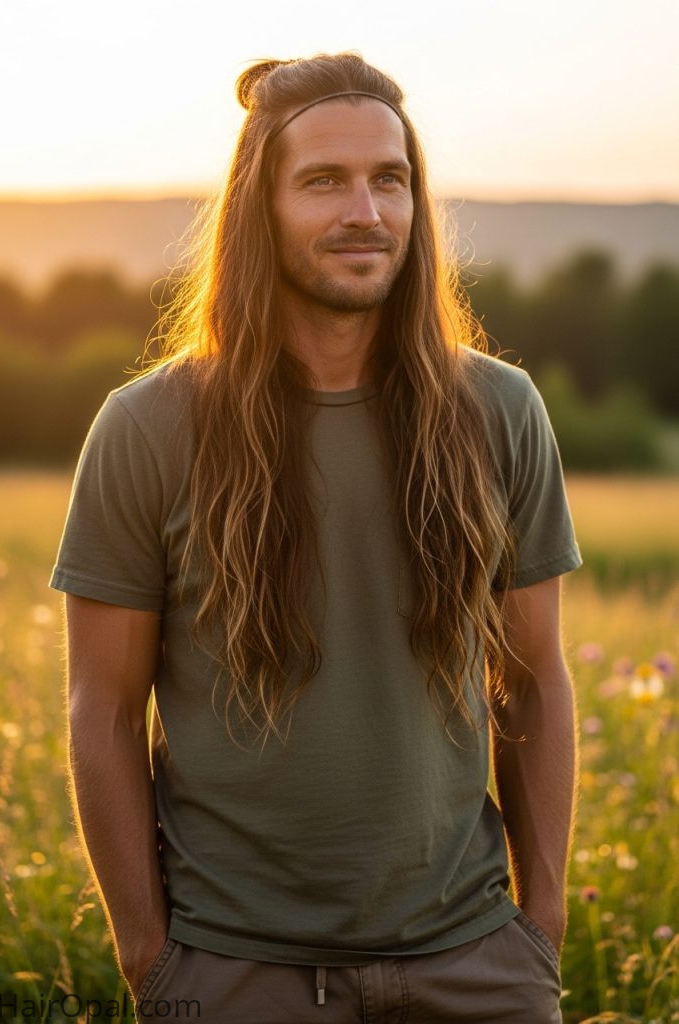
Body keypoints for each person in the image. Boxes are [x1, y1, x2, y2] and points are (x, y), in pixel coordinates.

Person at [51, 52, 582, 1023]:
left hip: (477, 966)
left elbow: (536, 676)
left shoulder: (499, 410)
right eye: (324, 181)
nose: (366, 212)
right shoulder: (147, 429)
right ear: (260, 207)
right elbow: (103, 712)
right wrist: (156, 968)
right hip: (236, 973)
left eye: (391, 179)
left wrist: (537, 934)